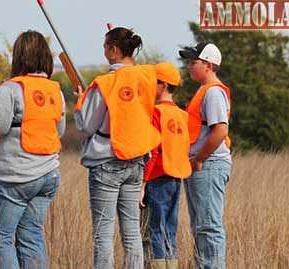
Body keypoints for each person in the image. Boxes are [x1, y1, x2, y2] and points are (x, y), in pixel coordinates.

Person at [0, 30, 65, 269]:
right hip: (48, 174)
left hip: (14, 176)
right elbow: (60, 130)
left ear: (19, 57)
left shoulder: (11, 88)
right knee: (31, 236)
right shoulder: (54, 90)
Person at [74, 27, 160, 269]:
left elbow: (87, 126)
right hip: (136, 161)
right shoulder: (147, 78)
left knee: (103, 234)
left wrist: (81, 103)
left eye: (105, 47)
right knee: (132, 232)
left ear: (113, 50)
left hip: (107, 161)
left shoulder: (104, 84)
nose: (103, 52)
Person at [179, 43, 232, 268]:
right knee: (201, 227)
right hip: (203, 165)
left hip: (208, 165)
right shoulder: (205, 90)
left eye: (193, 62)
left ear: (208, 65)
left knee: (209, 227)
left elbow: (220, 130)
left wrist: (199, 158)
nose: (189, 67)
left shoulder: (213, 92)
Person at [140, 62, 192, 269]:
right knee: (169, 228)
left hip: (157, 176)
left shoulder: (156, 113)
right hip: (176, 177)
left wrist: (143, 182)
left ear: (162, 85)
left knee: (155, 229)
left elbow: (152, 151)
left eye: (154, 82)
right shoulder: (182, 115)